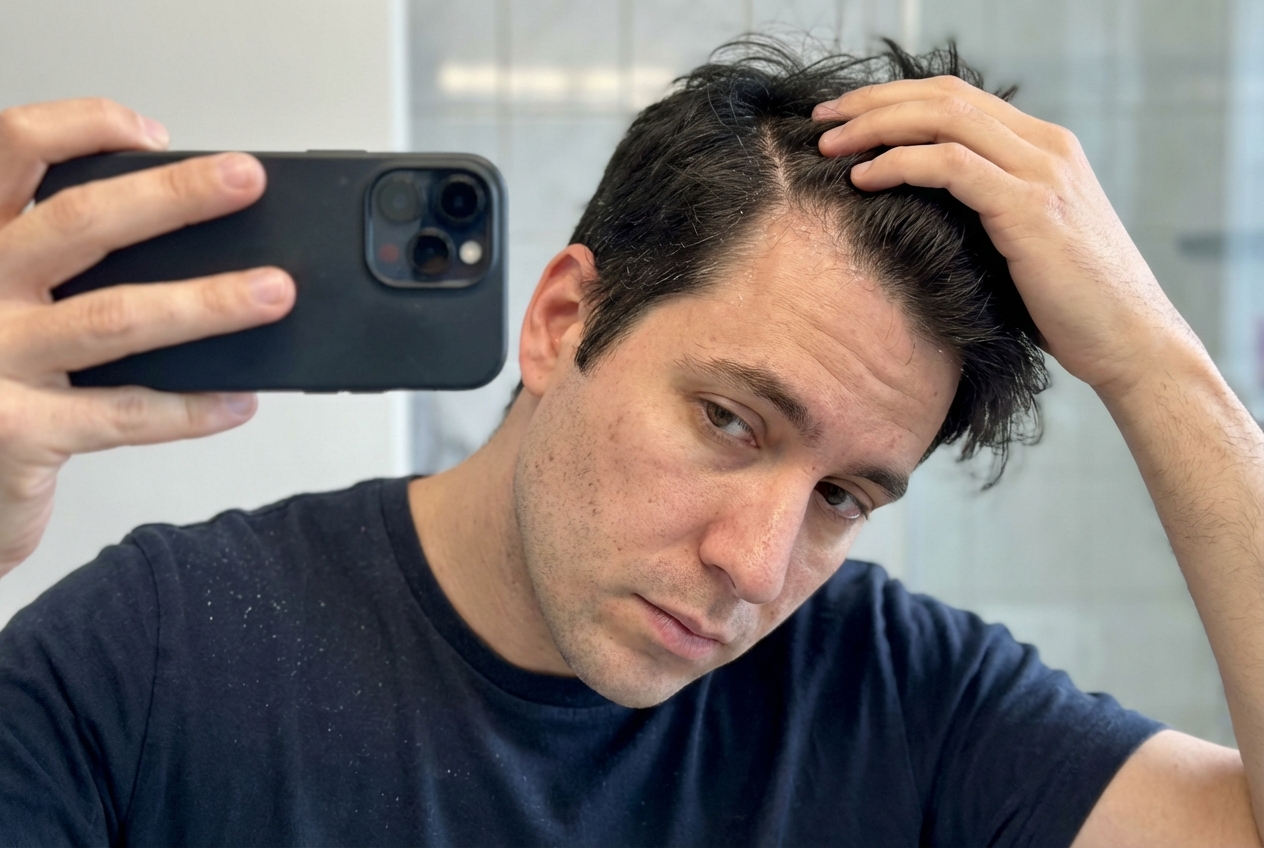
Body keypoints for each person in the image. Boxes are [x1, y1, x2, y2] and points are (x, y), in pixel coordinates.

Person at [0, 37, 1261, 846]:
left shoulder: (894, 691)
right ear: (560, 320)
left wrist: (1159, 364)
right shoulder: (158, 649)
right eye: (729, 419)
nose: (757, 565)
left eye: (842, 495)